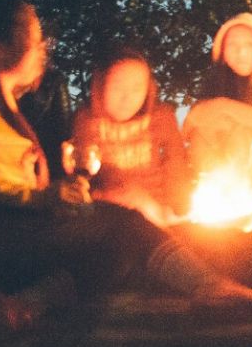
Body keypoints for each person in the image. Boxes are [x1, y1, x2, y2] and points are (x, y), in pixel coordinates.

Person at [0, 0, 252, 337]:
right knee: (125, 224)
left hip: (6, 237)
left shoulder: (8, 105)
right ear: (0, 46)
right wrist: (38, 197)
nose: (44, 49)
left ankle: (20, 307)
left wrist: (57, 198)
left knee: (115, 249)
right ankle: (211, 287)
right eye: (36, 39)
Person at [66, 46, 193, 226]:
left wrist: (179, 208)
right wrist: (133, 198)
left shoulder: (161, 118)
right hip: (111, 216)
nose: (127, 97)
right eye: (118, 87)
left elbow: (176, 165)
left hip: (162, 213)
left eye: (137, 88)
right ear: (101, 85)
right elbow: (89, 178)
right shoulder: (87, 121)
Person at [186, 13, 252, 215]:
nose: (241, 52)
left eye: (249, 44)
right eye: (233, 44)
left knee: (242, 128)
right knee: (205, 129)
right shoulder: (217, 84)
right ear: (223, 51)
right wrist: (209, 115)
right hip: (226, 172)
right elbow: (192, 124)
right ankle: (217, 200)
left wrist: (226, 107)